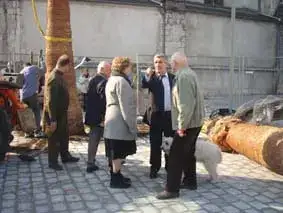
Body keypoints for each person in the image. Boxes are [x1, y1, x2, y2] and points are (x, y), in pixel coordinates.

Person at [156, 52, 205, 200]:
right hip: (195, 122)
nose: (170, 65)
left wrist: (181, 127)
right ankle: (190, 181)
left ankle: (172, 189)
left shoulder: (183, 77)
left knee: (176, 156)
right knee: (189, 153)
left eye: (171, 63)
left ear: (175, 63)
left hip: (188, 124)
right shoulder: (190, 73)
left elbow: (186, 105)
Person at [104, 57, 137, 189]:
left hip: (111, 118)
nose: (131, 69)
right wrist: (132, 126)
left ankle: (116, 175)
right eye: (129, 66)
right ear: (124, 67)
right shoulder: (122, 81)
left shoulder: (112, 79)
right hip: (119, 121)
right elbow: (126, 106)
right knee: (118, 152)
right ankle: (115, 179)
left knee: (114, 151)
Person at [44, 55, 80, 171]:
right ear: (65, 65)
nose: (70, 69)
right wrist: (52, 119)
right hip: (54, 114)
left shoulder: (59, 76)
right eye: (69, 66)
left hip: (61, 113)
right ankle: (52, 161)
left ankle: (65, 156)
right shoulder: (54, 78)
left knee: (64, 135)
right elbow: (50, 101)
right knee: (54, 138)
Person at [142, 54, 175, 179]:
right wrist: (147, 75)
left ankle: (170, 167)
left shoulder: (173, 78)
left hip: (169, 115)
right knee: (155, 143)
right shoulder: (152, 78)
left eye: (160, 62)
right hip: (156, 116)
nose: (158, 64)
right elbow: (144, 84)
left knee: (170, 142)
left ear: (166, 64)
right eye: (155, 62)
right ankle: (154, 167)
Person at [84, 61, 111, 173]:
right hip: (100, 117)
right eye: (109, 70)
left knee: (93, 140)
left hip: (91, 115)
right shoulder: (103, 82)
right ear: (103, 70)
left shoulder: (92, 80)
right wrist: (104, 116)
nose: (110, 72)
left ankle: (90, 162)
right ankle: (111, 162)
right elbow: (103, 100)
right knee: (109, 139)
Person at [20, 63, 45, 138]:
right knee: (36, 111)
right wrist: (42, 63)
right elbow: (44, 70)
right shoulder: (34, 68)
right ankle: (37, 131)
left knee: (27, 113)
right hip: (32, 95)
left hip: (23, 96)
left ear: (24, 66)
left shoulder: (21, 71)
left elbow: (18, 84)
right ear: (30, 65)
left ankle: (28, 132)